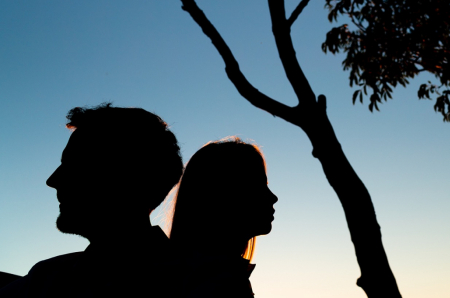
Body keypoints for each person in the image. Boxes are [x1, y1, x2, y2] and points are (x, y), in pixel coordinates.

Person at [0, 104, 184, 297]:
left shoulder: (194, 286)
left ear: (132, 178)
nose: (52, 180)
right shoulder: (46, 277)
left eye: (76, 165)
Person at [167, 138, 278, 297]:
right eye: (258, 186)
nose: (273, 198)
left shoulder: (190, 276)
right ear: (223, 195)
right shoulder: (218, 285)